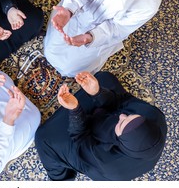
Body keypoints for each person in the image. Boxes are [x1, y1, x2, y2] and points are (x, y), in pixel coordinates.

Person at [35, 71, 167, 181]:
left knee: (44, 139)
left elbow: (80, 139)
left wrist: (75, 110)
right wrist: (97, 92)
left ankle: (61, 179)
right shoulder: (152, 115)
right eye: (129, 115)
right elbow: (122, 100)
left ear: (121, 141)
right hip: (106, 118)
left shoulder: (108, 164)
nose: (121, 116)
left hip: (88, 146)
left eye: (121, 123)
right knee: (104, 78)